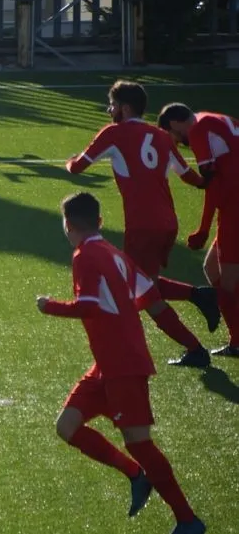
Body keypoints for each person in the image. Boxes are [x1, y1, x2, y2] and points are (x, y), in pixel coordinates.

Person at [36, 192, 205, 534]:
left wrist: (48, 306)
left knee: (139, 442)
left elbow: (89, 306)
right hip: (106, 365)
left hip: (123, 365)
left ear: (67, 225)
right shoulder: (117, 255)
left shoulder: (84, 256)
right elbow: (150, 297)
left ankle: (188, 520)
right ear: (99, 221)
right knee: (66, 426)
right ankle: (136, 475)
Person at [65, 80, 217, 368]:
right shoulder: (161, 136)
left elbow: (78, 167)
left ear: (124, 107)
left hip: (142, 226)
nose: (109, 110)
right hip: (168, 223)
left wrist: (69, 162)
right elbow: (191, 177)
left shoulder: (114, 133)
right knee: (146, 282)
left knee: (142, 292)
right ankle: (198, 295)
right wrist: (210, 178)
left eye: (111, 105)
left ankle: (195, 348)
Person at [158, 103, 239, 356]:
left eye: (170, 135)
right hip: (232, 204)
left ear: (173, 124)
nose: (175, 141)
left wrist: (203, 228)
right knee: (212, 268)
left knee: (227, 282)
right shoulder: (214, 117)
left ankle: (237, 342)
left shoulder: (198, 130)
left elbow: (212, 184)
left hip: (235, 206)